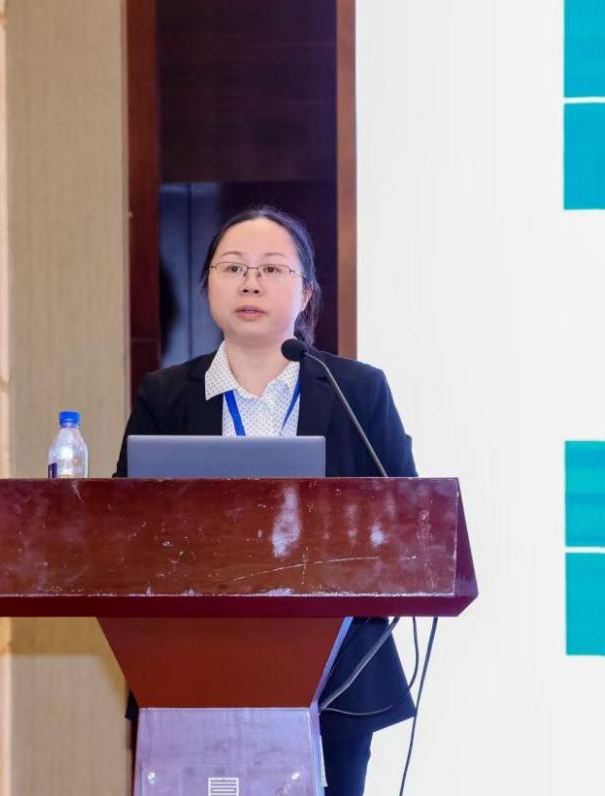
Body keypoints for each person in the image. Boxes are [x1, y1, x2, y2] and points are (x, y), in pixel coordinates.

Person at [113, 206, 417, 794]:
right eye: (233, 267)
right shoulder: (166, 395)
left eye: (272, 269)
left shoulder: (357, 390)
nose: (250, 283)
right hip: (193, 665)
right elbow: (125, 527)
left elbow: (406, 518)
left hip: (337, 668)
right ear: (208, 286)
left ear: (306, 293)